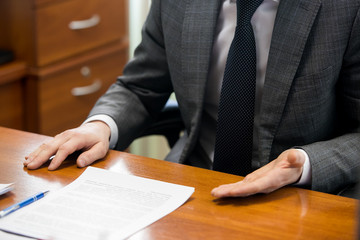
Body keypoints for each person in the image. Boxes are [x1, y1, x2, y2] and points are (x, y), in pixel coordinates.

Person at [24, 0, 360, 198]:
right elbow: (141, 86)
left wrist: (305, 164)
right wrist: (101, 126)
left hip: (302, 195)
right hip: (193, 184)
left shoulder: (345, 10)